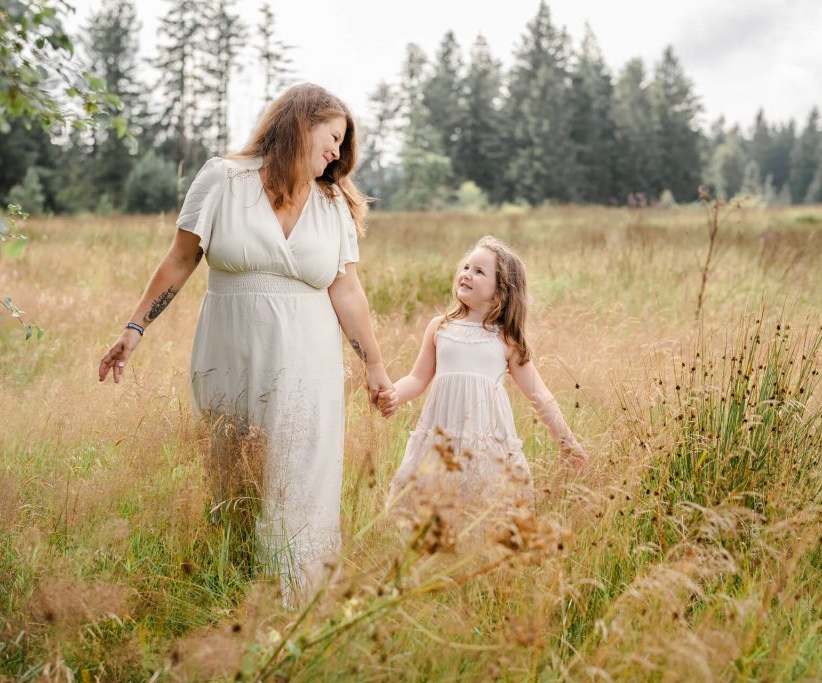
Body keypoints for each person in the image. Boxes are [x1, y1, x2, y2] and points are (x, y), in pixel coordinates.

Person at [98, 84, 393, 605]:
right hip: (229, 354)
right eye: (333, 138)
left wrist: (374, 364)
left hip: (308, 362)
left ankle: (298, 602)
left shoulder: (332, 205)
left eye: (342, 145)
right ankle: (232, 597)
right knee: (233, 476)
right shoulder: (223, 179)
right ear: (301, 122)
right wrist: (134, 328)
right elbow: (181, 258)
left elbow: (345, 288)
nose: (336, 153)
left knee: (299, 475)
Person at [378, 236, 587, 534]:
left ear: (500, 291)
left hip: (484, 446)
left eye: (479, 271)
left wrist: (567, 441)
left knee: (481, 520)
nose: (467, 274)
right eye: (466, 267)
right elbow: (417, 378)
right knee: (428, 515)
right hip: (441, 441)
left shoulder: (506, 339)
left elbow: (539, 394)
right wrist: (393, 395)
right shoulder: (440, 327)